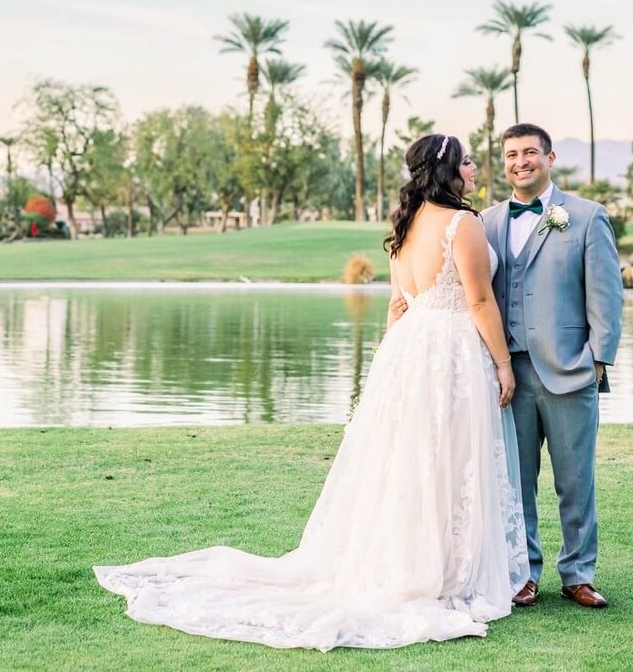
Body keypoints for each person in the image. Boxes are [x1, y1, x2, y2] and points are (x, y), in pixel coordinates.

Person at [94, 134, 529, 651]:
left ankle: (414, 558)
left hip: (411, 351)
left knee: (413, 461)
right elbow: (479, 301)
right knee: (447, 458)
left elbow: (398, 304)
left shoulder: (405, 226)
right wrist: (503, 364)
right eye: (468, 161)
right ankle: (444, 567)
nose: (475, 167)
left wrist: (396, 360)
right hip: (452, 352)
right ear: (448, 171)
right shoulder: (464, 224)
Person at [481, 123, 623, 609]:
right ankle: (523, 574)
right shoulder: (486, 222)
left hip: (571, 370)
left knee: (574, 480)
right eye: (511, 154)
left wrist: (598, 361)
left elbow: (607, 294)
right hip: (507, 375)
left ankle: (578, 574)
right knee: (515, 481)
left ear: (550, 157)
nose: (520, 162)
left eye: (529, 153)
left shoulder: (585, 217)